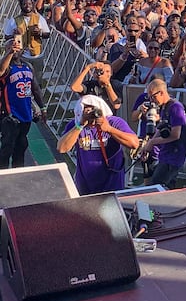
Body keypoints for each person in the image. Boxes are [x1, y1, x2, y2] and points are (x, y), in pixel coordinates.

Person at [57, 95, 139, 195]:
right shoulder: (76, 125)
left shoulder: (114, 122)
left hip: (112, 184)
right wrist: (80, 125)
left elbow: (134, 143)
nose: (92, 117)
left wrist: (109, 129)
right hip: (85, 186)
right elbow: (61, 148)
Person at [0, 34, 46, 168]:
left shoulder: (27, 66)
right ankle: (2, 175)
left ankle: (18, 173)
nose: (14, 48)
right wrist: (10, 52)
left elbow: (35, 89)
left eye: (16, 46)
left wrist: (42, 108)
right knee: (7, 146)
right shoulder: (6, 66)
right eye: (10, 46)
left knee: (21, 146)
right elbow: (1, 70)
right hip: (9, 114)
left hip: (25, 113)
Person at [137, 78, 186, 189]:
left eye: (153, 96)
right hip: (165, 155)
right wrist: (149, 145)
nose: (152, 100)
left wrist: (153, 142)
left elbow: (176, 134)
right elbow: (161, 128)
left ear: (161, 92)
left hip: (173, 157)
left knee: (157, 186)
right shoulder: (165, 107)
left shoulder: (175, 107)